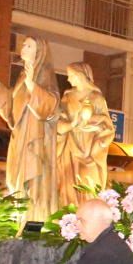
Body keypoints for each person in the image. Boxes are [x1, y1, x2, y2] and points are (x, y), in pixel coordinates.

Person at [0, 35, 59, 222]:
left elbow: (50, 106)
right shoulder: (22, 76)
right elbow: (11, 108)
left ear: (39, 51)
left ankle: (34, 220)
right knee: (16, 178)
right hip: (20, 135)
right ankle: (20, 220)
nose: (23, 48)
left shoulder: (43, 74)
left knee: (32, 179)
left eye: (29, 45)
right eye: (23, 45)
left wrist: (32, 84)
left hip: (35, 138)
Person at [56, 62, 115, 207]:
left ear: (80, 75)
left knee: (89, 187)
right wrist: (72, 124)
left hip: (89, 148)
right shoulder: (67, 97)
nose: (69, 79)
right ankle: (68, 223)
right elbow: (59, 120)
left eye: (71, 75)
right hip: (70, 147)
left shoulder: (97, 98)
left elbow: (107, 126)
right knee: (68, 188)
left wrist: (95, 128)